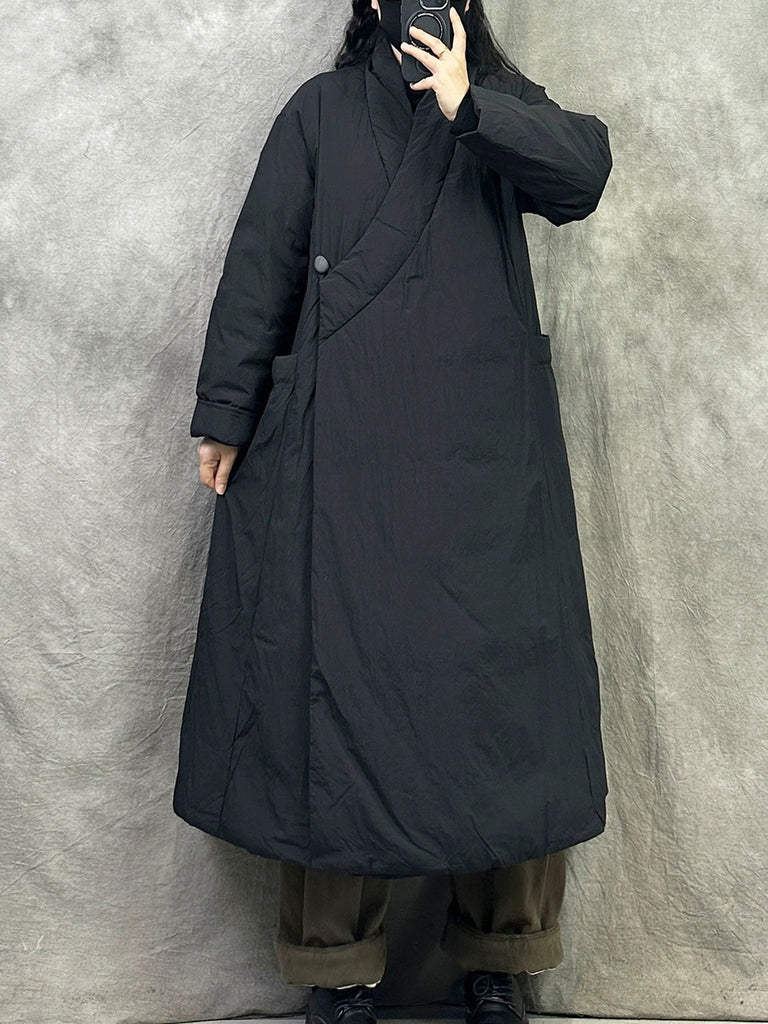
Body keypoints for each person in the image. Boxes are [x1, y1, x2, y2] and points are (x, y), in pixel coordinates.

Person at [173, 3, 613, 1022]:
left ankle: (502, 956)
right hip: (348, 453)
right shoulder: (320, 113)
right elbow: (263, 264)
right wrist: (227, 410)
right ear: (368, 5)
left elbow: (583, 175)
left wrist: (470, 105)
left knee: (507, 700)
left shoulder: (500, 101)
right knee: (332, 687)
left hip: (487, 464)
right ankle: (339, 970)